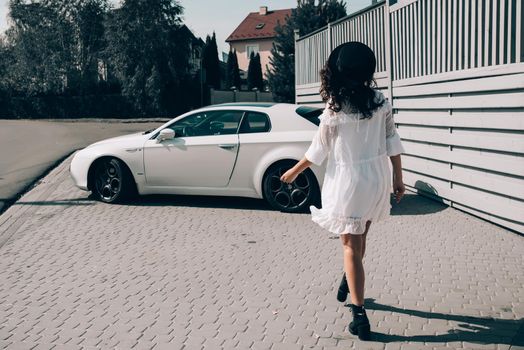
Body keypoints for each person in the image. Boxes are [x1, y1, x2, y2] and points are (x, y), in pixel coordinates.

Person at [280, 41, 405, 341]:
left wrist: (294, 171)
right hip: (376, 179)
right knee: (360, 238)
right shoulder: (380, 101)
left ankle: (359, 315)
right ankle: (350, 279)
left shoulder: (335, 106)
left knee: (350, 245)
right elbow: (392, 141)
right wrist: (398, 179)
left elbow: (318, 150)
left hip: (348, 181)